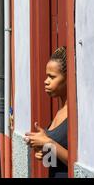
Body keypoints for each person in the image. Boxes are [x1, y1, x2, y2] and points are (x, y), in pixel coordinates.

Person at [25, 47, 68, 178]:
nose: (46, 81)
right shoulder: (60, 111)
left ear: (68, 78)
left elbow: (77, 164)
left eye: (52, 77)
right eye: (46, 76)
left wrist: (47, 143)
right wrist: (44, 152)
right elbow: (52, 162)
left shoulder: (76, 114)